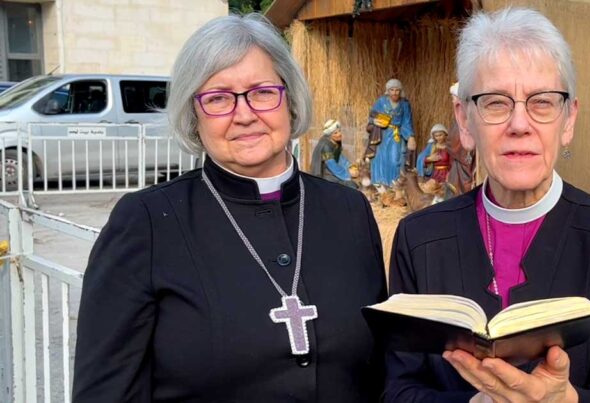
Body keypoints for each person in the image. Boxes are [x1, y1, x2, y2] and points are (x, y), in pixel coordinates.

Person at [73, 13, 387, 402]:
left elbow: (380, 372)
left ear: (289, 100)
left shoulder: (348, 210)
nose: (244, 114)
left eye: (262, 91)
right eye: (218, 98)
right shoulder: (147, 223)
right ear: (194, 115)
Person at [384, 8, 590, 403]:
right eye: (495, 103)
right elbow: (397, 391)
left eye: (542, 102)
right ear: (465, 120)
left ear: (568, 119)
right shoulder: (419, 237)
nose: (519, 124)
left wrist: (563, 401)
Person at [368, 78, 414, 186]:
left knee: (395, 159)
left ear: (400, 91)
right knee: (380, 157)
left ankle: (394, 185)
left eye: (397, 90)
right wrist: (375, 121)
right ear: (387, 91)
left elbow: (407, 122)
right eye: (392, 90)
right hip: (382, 134)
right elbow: (372, 115)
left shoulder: (404, 104)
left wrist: (411, 136)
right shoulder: (381, 101)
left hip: (396, 134)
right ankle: (379, 183)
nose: (394, 92)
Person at [446, 81, 477, 193]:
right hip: (458, 164)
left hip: (465, 162)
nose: (452, 101)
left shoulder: (467, 119)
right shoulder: (458, 120)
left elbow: (453, 142)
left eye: (454, 98)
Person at [310, 118, 358, 188]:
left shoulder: (336, 142)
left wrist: (349, 166)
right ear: (330, 135)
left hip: (335, 173)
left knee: (353, 186)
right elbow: (332, 165)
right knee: (351, 186)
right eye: (335, 133)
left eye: (339, 131)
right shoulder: (326, 147)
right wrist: (348, 174)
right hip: (327, 175)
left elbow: (340, 157)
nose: (339, 134)